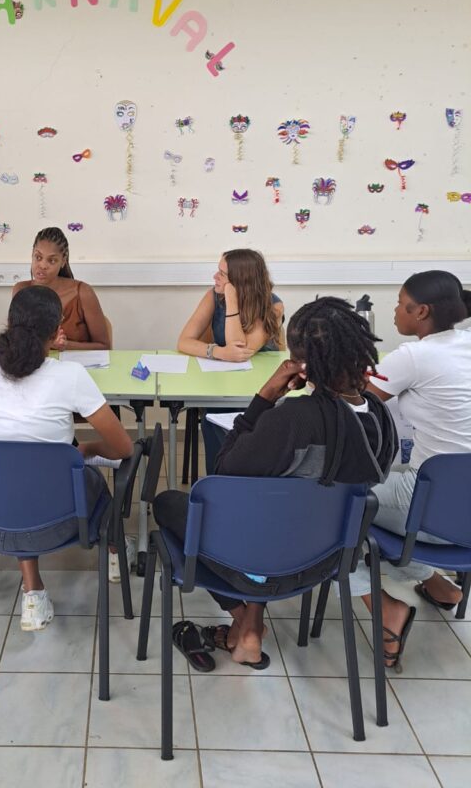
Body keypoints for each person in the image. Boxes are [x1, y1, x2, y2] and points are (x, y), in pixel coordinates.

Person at [155, 296, 397, 670]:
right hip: (323, 560)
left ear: (300, 363)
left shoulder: (295, 419)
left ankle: (242, 618)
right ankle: (249, 630)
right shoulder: (380, 418)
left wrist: (264, 399)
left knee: (170, 503)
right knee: (276, 512)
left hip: (255, 564)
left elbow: (223, 472)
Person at [0, 285, 133, 631]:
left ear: (8, 322)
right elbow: (123, 449)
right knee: (91, 481)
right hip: (61, 524)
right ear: (58, 332)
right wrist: (88, 450)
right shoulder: (70, 375)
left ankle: (33, 593)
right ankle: (114, 551)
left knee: (11, 486)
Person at [358, 270, 471, 667]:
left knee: (336, 501)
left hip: (430, 510)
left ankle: (386, 609)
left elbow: (355, 401)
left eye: (400, 303)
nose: (394, 311)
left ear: (421, 311)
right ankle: (438, 584)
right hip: (465, 514)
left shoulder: (413, 356)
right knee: (392, 483)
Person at [177, 248, 285, 472]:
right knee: (213, 416)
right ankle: (220, 478)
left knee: (242, 421)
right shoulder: (213, 296)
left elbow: (240, 350)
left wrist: (232, 300)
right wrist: (217, 352)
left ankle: (244, 478)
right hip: (225, 385)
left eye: (222, 274)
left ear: (240, 281)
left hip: (263, 391)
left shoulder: (273, 306)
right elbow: (184, 341)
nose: (214, 277)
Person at [12, 227, 111, 351]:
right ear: (32, 255)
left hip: (75, 362)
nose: (43, 265)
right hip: (35, 362)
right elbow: (15, 341)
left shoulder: (83, 292)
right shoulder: (20, 290)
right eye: (38, 257)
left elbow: (104, 346)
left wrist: (66, 345)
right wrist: (48, 343)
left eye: (52, 260)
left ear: (63, 261)